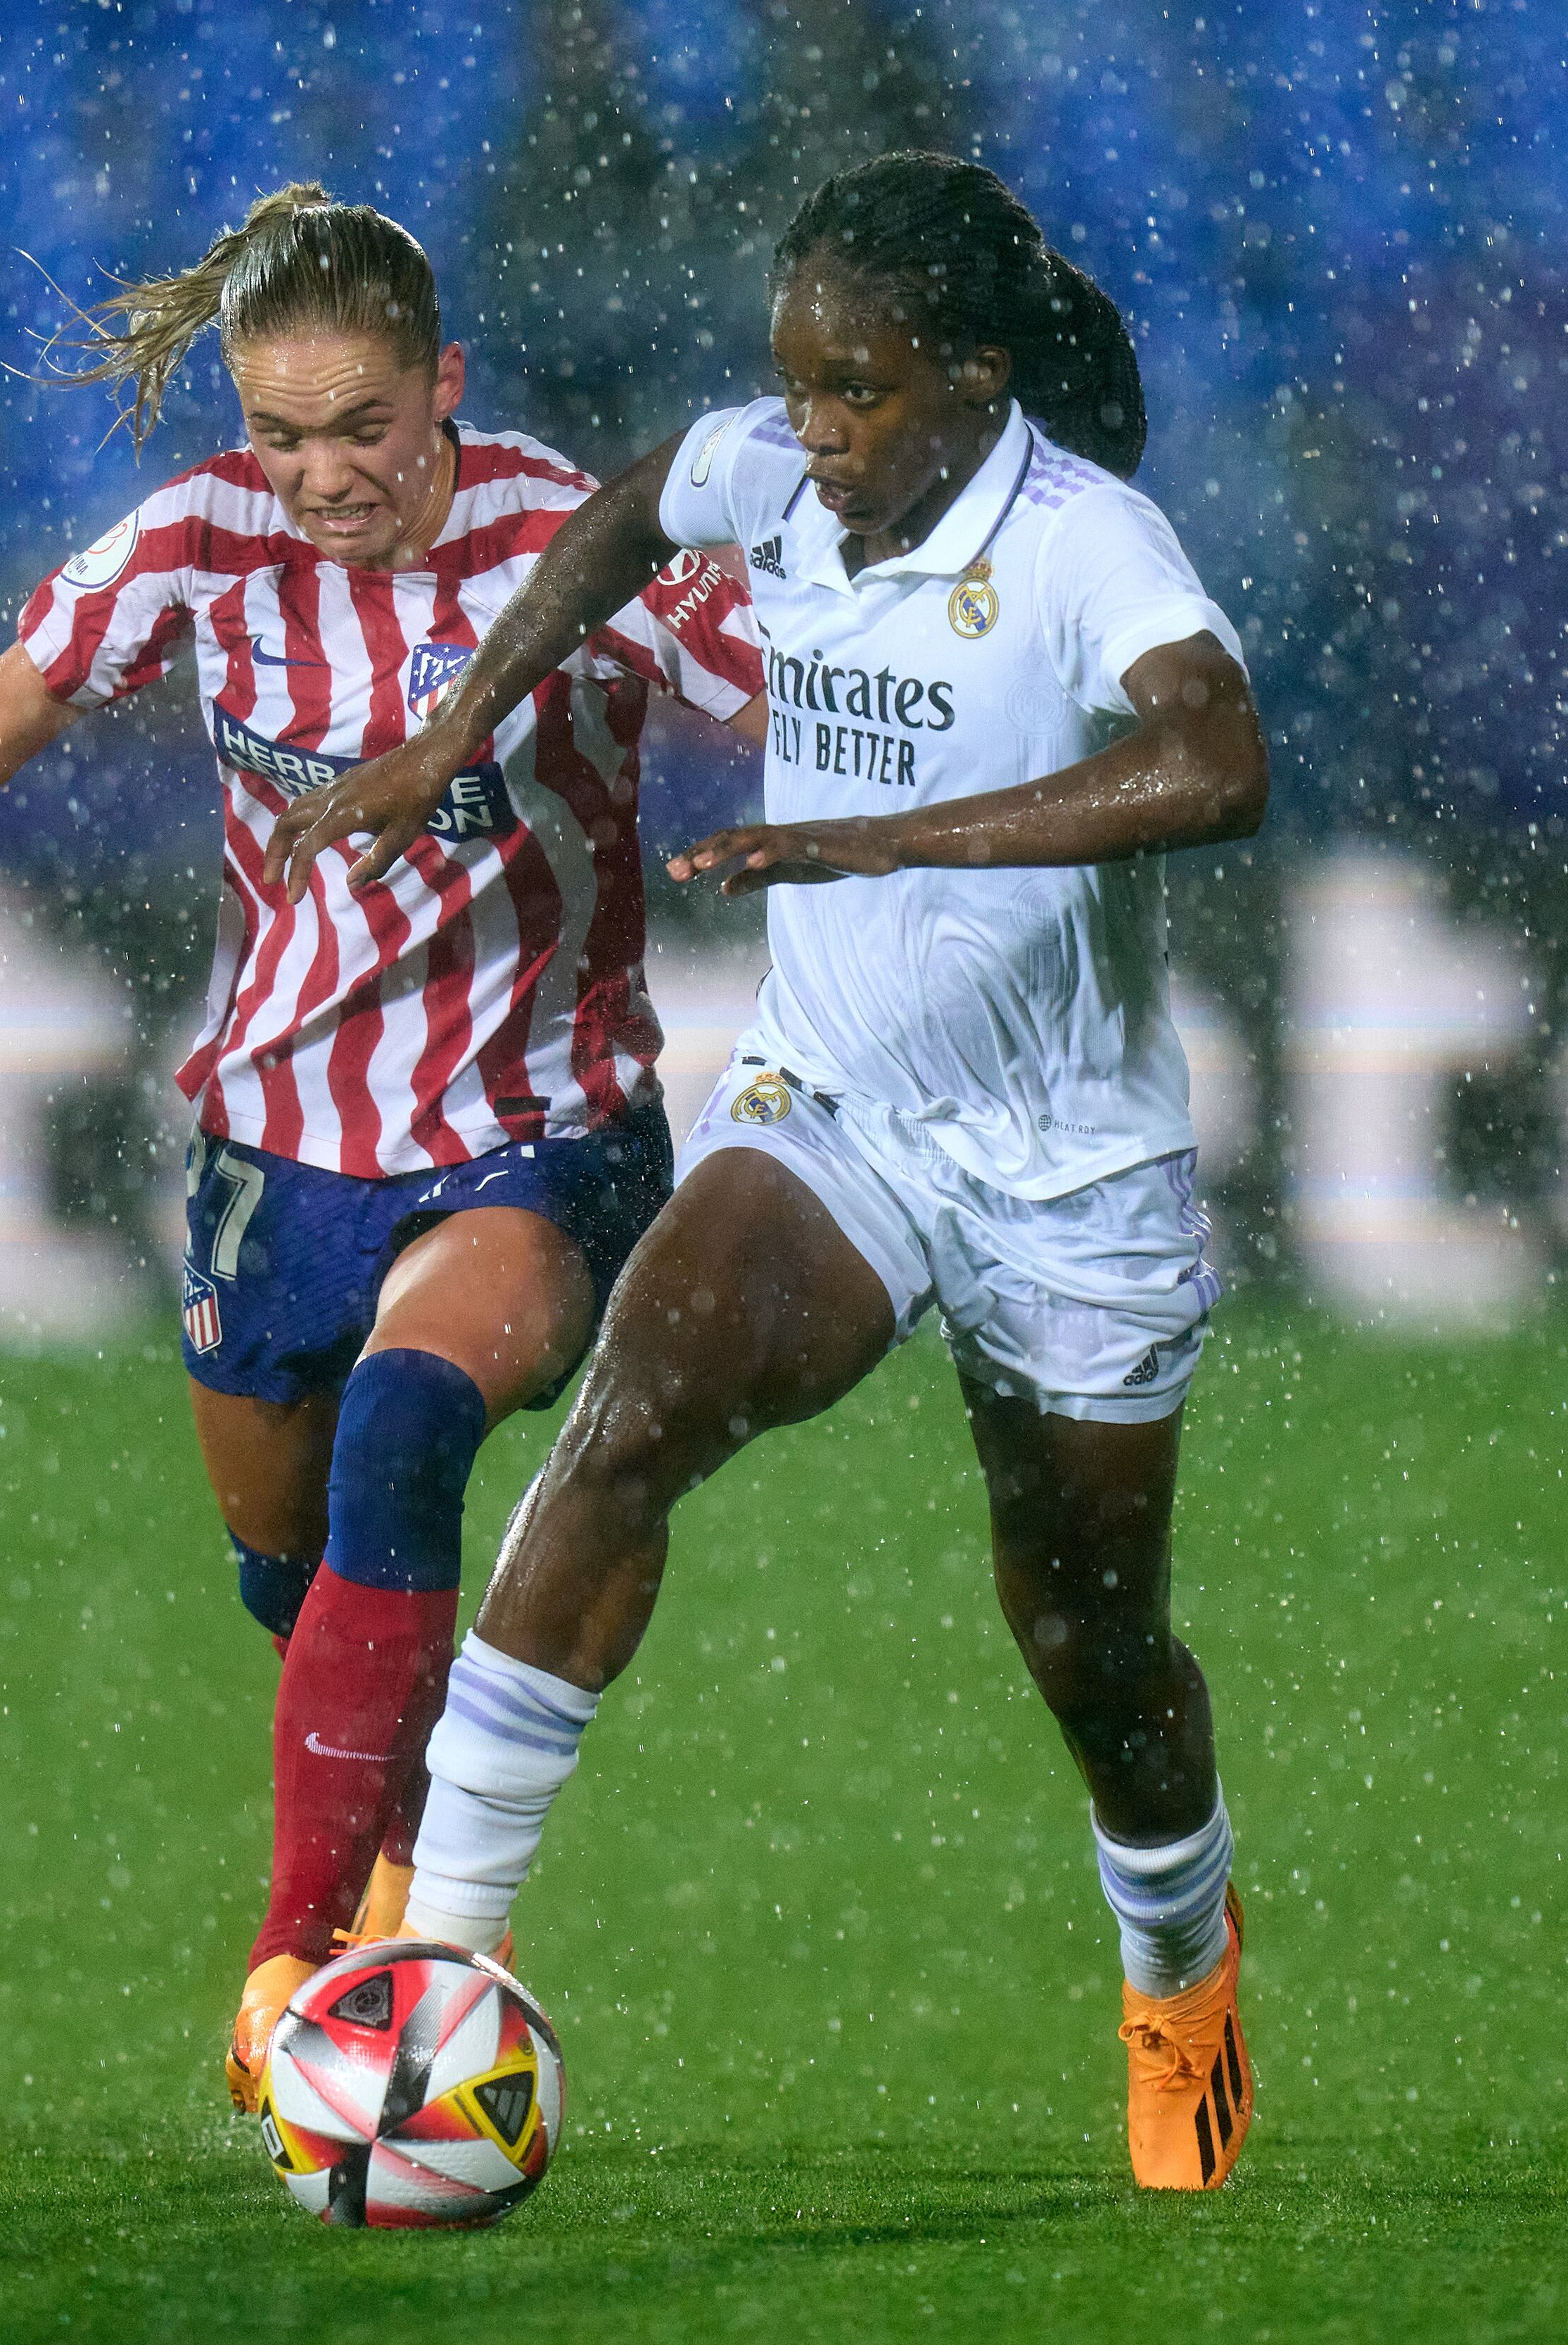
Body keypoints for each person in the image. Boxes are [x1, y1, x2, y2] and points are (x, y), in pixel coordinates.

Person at [0, 184, 766, 2109]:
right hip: (276, 1139)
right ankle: (391, 1857)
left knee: (408, 1431)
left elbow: (811, 685)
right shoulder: (200, 547)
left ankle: (323, 1946)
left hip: (534, 1128)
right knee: (289, 1576)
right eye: (282, 434)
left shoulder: (573, 537)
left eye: (363, 430)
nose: (321, 477)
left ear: (443, 388)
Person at [265, 150, 1272, 2192]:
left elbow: (1218, 763)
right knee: (633, 1413)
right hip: (839, 1111)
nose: (812, 436)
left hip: (1068, 1173)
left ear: (975, 381)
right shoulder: (782, 475)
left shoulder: (1090, 546)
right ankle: (432, 1965)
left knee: (1093, 1647)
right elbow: (643, 500)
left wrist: (894, 835)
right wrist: (469, 718)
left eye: (859, 394)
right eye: (798, 387)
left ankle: (1182, 1982)